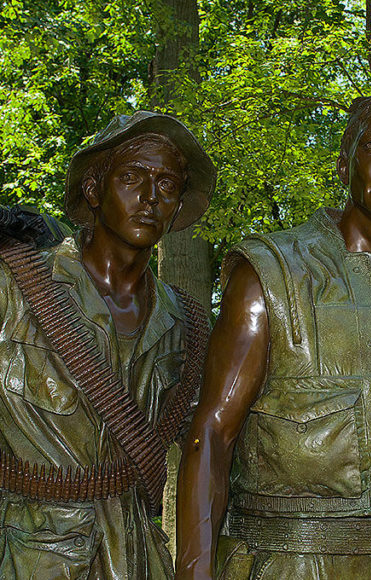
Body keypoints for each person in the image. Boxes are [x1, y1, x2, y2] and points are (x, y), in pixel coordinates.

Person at [176, 89, 371, 580]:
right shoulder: (272, 271)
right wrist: (194, 572)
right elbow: (212, 432)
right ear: (344, 164)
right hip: (294, 561)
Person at [0, 111, 215, 579]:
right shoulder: (15, 287)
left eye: (167, 184)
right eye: (132, 177)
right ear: (95, 191)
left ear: (178, 207)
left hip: (140, 556)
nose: (150, 198)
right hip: (30, 556)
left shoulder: (189, 326)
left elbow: (214, 452)